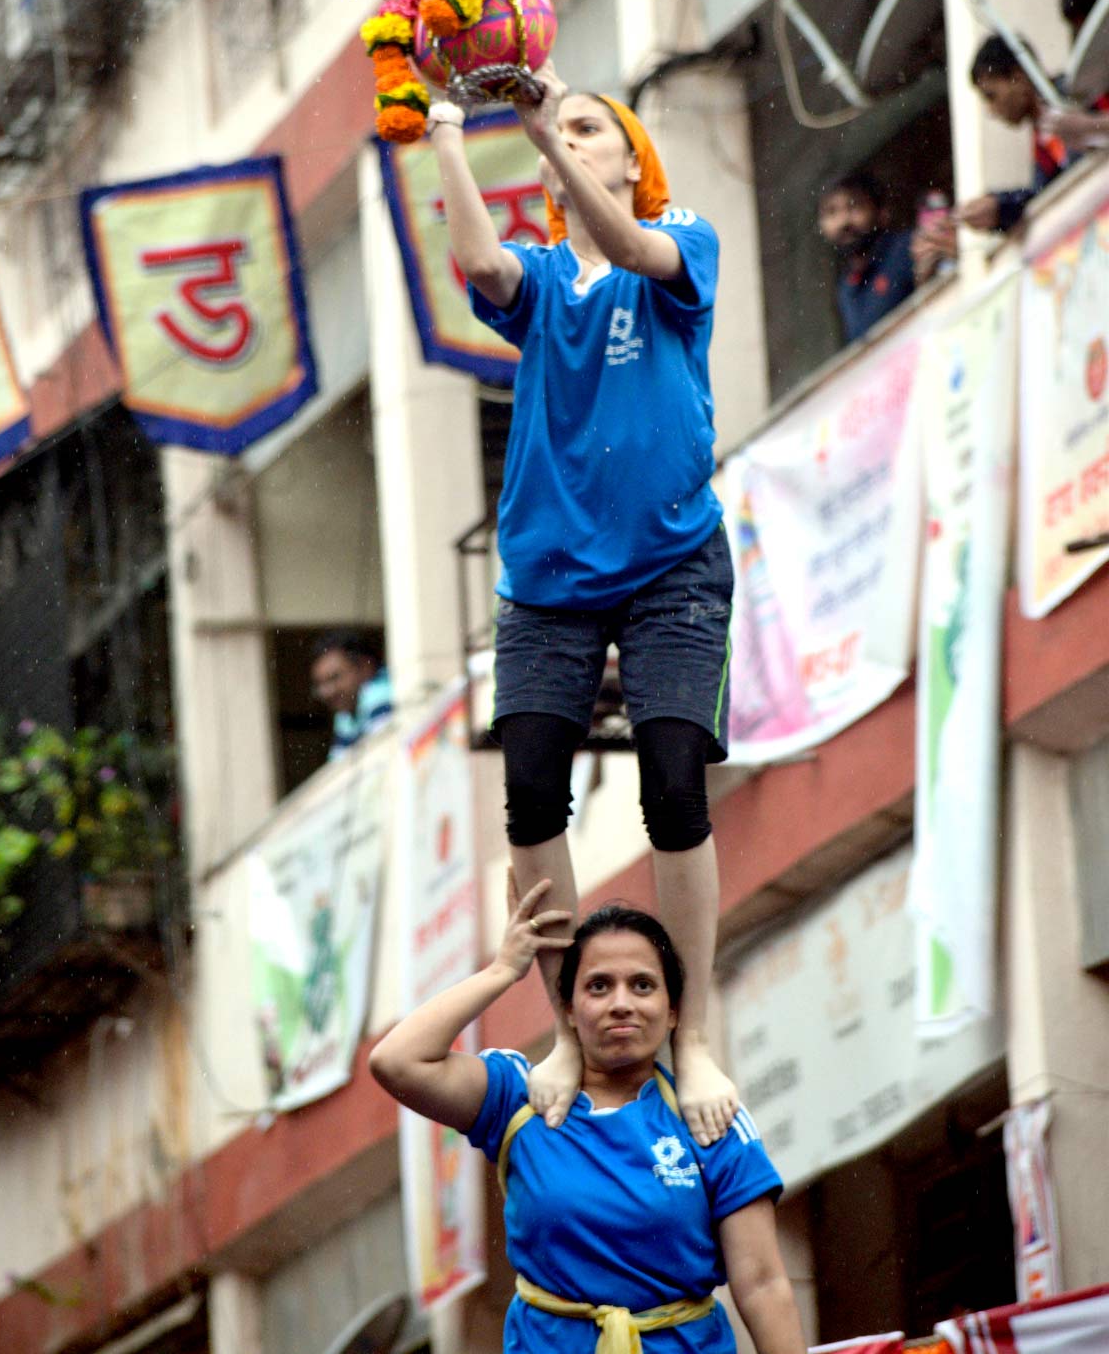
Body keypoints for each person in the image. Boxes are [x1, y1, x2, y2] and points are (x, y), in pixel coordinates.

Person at [426, 68, 736, 1148]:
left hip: (673, 562)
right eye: (563, 129)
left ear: (629, 160)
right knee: (527, 792)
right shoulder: (548, 281)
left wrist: (541, 134)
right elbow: (478, 260)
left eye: (589, 128)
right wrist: (450, 126)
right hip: (550, 581)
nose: (568, 136)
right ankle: (564, 1027)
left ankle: (691, 1029)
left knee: (673, 775)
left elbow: (638, 247)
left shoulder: (681, 240)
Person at [370, 882, 808, 1354]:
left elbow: (763, 1284)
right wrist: (502, 970)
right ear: (570, 1011)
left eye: (642, 985)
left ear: (674, 1010)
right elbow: (397, 1061)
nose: (621, 1002)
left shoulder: (710, 1115)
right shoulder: (520, 1098)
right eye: (599, 986)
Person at [955, 34, 1106, 234]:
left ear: (1018, 77)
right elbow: (1043, 195)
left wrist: (1089, 125)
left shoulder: (1078, 93)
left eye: (991, 96)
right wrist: (999, 209)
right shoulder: (1041, 138)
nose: (991, 111)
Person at [816, 169, 918, 342]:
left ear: (882, 213)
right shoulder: (846, 288)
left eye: (854, 206)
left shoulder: (907, 249)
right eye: (831, 212)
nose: (844, 221)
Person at [309, 632, 392, 758]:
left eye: (335, 677)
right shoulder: (344, 715)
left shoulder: (380, 692)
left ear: (365, 667)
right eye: (320, 685)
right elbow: (338, 764)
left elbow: (381, 755)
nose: (327, 692)